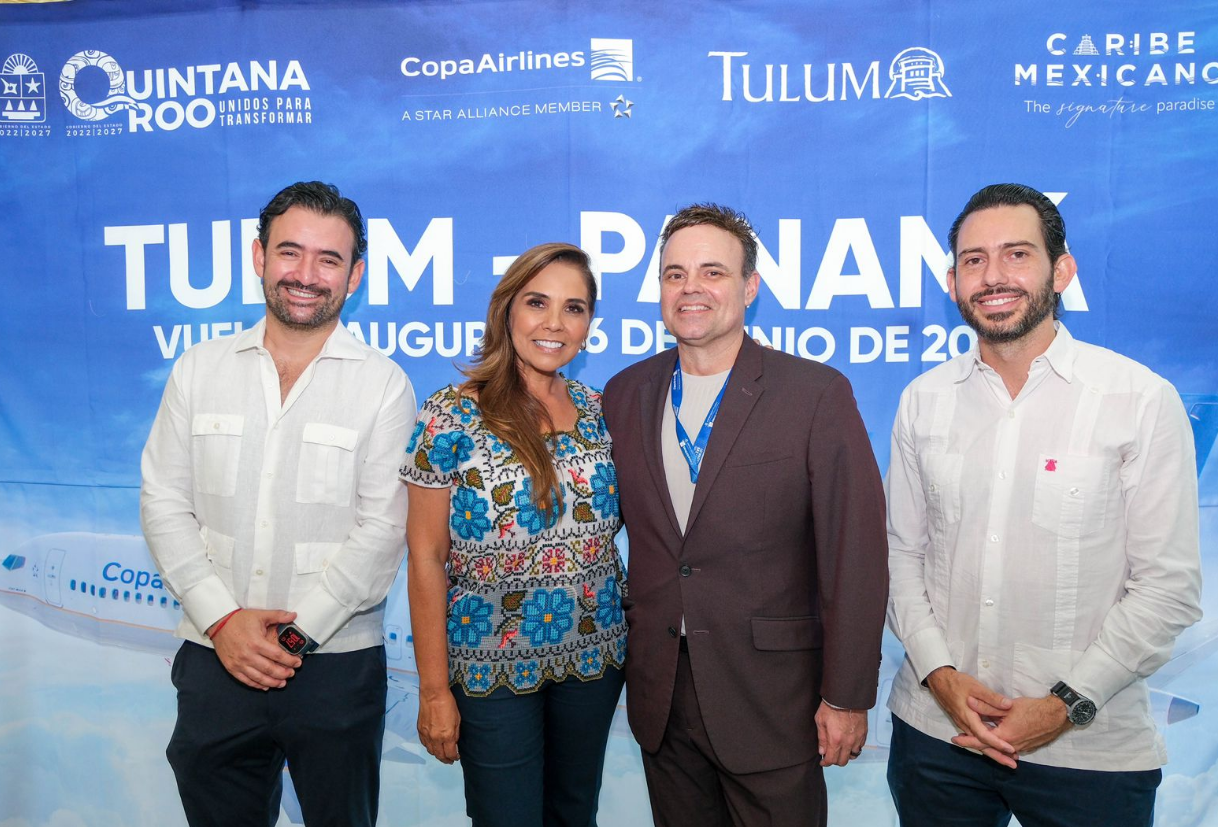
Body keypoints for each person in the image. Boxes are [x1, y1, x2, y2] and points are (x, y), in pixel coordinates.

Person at [885, 183, 1203, 827]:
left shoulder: (1138, 400)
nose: (993, 276)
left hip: (1090, 748)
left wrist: (1063, 705)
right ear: (952, 281)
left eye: (1016, 255)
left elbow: (1167, 587)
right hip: (936, 738)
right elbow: (899, 555)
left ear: (1061, 270)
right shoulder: (924, 399)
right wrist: (941, 679)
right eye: (973, 260)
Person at [601, 203, 889, 827]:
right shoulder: (625, 393)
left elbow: (856, 556)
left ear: (749, 287)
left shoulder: (815, 394)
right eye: (675, 274)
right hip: (662, 701)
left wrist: (846, 696)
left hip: (773, 702)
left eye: (712, 272)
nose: (691, 289)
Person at [139, 181, 415, 827]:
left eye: (329, 260)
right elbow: (164, 500)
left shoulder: (384, 384)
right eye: (291, 253)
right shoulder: (198, 369)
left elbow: (383, 529)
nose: (306, 275)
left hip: (336, 666)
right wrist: (223, 622)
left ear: (355, 276)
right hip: (214, 659)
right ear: (260, 257)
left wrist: (290, 638)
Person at [401, 242, 627, 827]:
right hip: (489, 667)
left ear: (589, 324)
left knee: (574, 815)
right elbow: (425, 557)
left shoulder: (604, 411)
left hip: (594, 659)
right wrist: (433, 692)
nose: (555, 323)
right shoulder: (450, 415)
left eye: (574, 308)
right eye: (537, 303)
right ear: (507, 311)